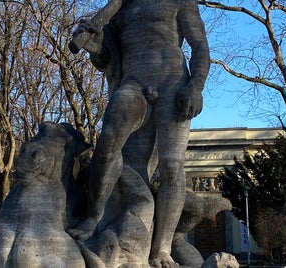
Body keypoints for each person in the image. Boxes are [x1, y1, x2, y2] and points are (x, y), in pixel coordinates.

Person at [67, 0, 209, 267]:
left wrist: (196, 85)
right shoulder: (120, 8)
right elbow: (107, 58)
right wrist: (94, 45)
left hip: (173, 84)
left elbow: (199, 45)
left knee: (172, 166)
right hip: (133, 81)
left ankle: (162, 249)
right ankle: (94, 217)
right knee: (109, 141)